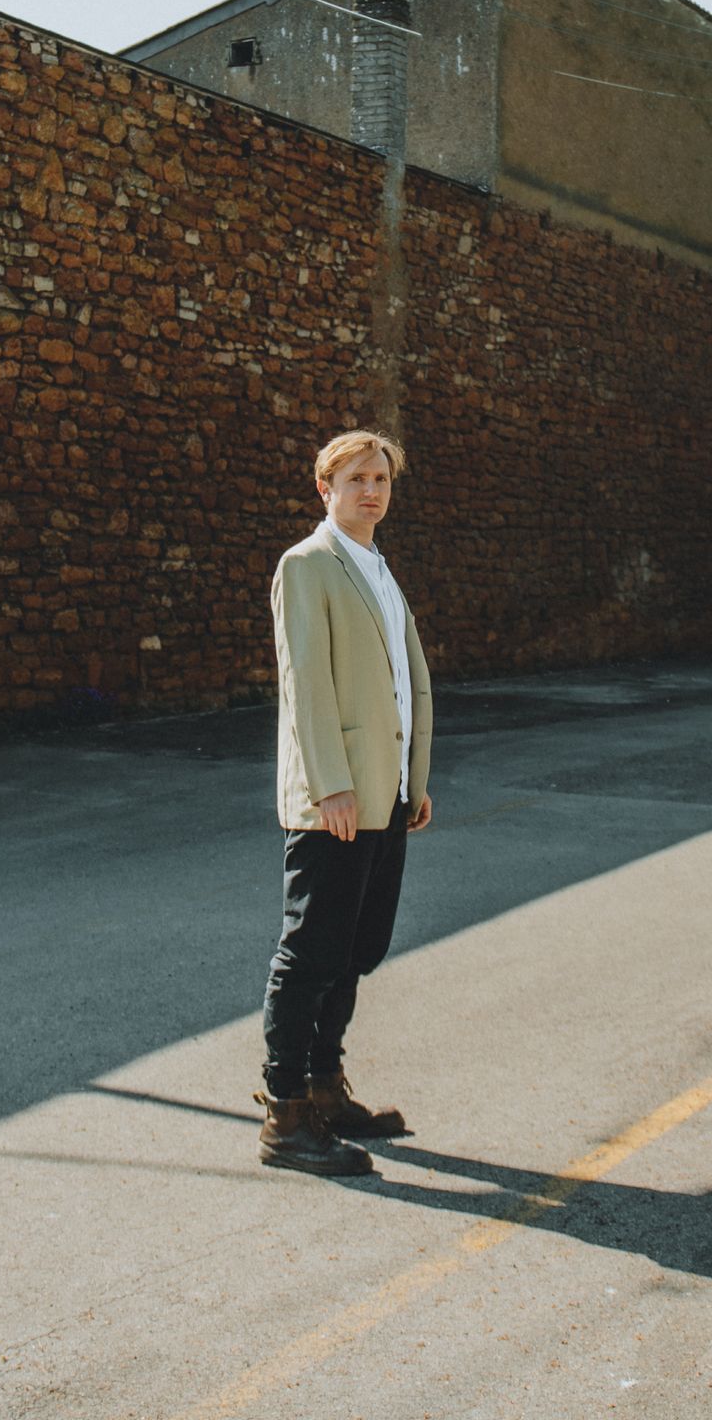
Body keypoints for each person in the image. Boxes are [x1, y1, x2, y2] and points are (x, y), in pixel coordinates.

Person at [257, 428, 434, 1177]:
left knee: (357, 949)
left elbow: (400, 682)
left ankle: (326, 1089)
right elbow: (306, 682)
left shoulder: (380, 570)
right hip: (335, 798)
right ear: (324, 488)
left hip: (385, 794)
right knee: (310, 953)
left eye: (381, 479)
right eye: (356, 478)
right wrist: (330, 782)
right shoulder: (307, 565)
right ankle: (285, 1114)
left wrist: (412, 781)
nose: (371, 490)